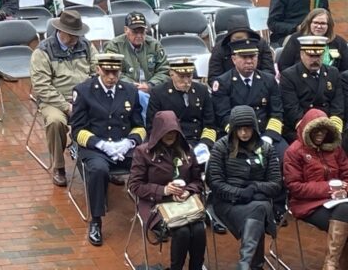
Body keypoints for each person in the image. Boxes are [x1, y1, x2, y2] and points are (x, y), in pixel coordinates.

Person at [70, 52, 146, 246]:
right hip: (96, 146)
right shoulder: (84, 90)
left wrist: (128, 142)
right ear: (98, 70)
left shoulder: (129, 90)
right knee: (98, 169)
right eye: (107, 72)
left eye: (115, 72)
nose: (112, 77)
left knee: (150, 163)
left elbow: (139, 125)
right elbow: (77, 130)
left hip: (123, 145)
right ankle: (96, 221)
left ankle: (151, 215)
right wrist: (101, 144)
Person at [128, 110, 207, 270]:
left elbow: (198, 181)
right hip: (155, 204)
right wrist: (163, 190)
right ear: (158, 132)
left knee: (199, 229)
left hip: (184, 202)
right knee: (182, 231)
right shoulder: (143, 152)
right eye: (166, 132)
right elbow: (135, 185)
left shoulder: (186, 150)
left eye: (174, 132)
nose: (170, 135)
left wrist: (188, 191)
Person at [206, 104, 282, 270]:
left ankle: (245, 265)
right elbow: (215, 183)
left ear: (254, 127)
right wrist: (241, 193)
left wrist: (254, 187)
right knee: (260, 209)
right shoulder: (221, 147)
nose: (243, 133)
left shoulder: (266, 149)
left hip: (255, 200)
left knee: (259, 209)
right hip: (227, 203)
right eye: (239, 129)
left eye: (247, 129)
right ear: (233, 129)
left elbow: (276, 184)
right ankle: (253, 265)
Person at [30, 10, 97, 186]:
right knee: (55, 122)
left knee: (108, 113)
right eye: (74, 34)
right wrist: (66, 106)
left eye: (79, 34)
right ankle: (59, 167)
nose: (77, 38)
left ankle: (106, 161)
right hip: (55, 100)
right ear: (62, 31)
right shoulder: (43, 51)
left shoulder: (86, 46)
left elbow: (97, 72)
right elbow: (42, 87)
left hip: (84, 98)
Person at [285, 108, 348, 269]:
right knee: (345, 211)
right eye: (316, 130)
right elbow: (295, 187)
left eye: (323, 130)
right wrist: (328, 189)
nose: (320, 134)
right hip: (307, 204)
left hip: (338, 200)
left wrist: (344, 189)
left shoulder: (335, 149)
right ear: (308, 129)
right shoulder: (294, 152)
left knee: (344, 211)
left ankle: (335, 263)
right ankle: (331, 264)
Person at [211, 39, 287, 158]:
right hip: (237, 134)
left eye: (252, 57)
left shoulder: (269, 80)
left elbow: (276, 113)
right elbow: (223, 116)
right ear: (234, 59)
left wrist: (269, 136)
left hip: (264, 132)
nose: (249, 61)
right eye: (244, 57)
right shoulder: (223, 83)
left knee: (284, 155)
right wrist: (241, 135)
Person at [279, 35, 344, 142]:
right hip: (302, 127)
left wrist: (331, 128)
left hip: (329, 126)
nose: (315, 59)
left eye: (319, 55)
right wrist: (313, 130)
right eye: (311, 55)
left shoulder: (333, 72)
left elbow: (338, 105)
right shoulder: (289, 76)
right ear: (301, 54)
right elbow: (292, 109)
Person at [104, 12, 170, 112]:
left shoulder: (154, 45)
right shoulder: (114, 46)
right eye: (135, 32)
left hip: (153, 88)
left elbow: (164, 70)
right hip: (125, 90)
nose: (139, 35)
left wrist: (150, 85)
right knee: (141, 97)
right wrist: (133, 86)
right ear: (126, 30)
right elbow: (112, 72)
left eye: (142, 32)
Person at [279, 8, 348, 73]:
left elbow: (345, 69)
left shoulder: (339, 42)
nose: (319, 26)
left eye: (323, 23)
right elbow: (284, 65)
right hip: (301, 81)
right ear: (309, 23)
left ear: (329, 25)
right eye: (315, 23)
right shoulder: (297, 39)